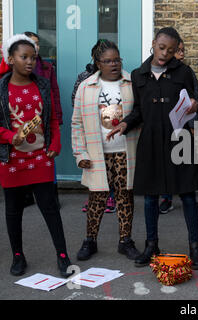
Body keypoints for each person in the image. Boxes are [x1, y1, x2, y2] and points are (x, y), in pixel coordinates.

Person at [107, 27, 198, 270]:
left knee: (188, 195)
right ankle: (152, 245)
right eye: (162, 48)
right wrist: (125, 124)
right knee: (150, 198)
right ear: (153, 44)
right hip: (150, 141)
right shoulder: (139, 75)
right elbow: (139, 110)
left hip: (179, 140)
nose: (165, 54)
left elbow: (194, 102)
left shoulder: (184, 72)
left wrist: (195, 105)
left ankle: (195, 247)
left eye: (171, 50)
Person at [0, 34, 72, 277]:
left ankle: (62, 255)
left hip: (41, 157)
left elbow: (51, 118)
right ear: (10, 59)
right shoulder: (1, 87)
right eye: (24, 57)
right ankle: (18, 256)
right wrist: (11, 137)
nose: (30, 62)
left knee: (50, 208)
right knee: (13, 210)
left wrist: (56, 142)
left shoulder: (41, 85)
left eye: (33, 57)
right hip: (12, 160)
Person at [71, 39, 141, 261]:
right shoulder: (86, 86)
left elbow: (139, 115)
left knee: (125, 197)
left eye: (117, 60)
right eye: (108, 61)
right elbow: (77, 123)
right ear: (98, 63)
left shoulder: (132, 83)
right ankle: (90, 240)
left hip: (125, 151)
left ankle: (125, 241)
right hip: (96, 154)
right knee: (97, 198)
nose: (114, 64)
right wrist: (80, 153)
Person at [71, 39, 117, 215]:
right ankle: (94, 197)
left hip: (110, 126)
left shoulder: (118, 78)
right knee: (95, 165)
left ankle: (111, 196)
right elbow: (76, 100)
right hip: (92, 128)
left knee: (112, 165)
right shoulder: (84, 78)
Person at [160, 38, 198, 217]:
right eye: (178, 50)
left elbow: (195, 99)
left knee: (186, 165)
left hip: (184, 125)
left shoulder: (187, 72)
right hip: (165, 127)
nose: (182, 54)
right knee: (166, 164)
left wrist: (194, 127)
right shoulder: (159, 72)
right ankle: (167, 198)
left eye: (183, 50)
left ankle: (191, 200)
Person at [23, 31, 63, 209]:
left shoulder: (47, 67)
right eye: (32, 43)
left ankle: (51, 197)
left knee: (48, 155)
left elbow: (54, 93)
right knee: (24, 153)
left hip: (45, 119)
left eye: (37, 43)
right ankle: (26, 195)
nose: (36, 46)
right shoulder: (16, 69)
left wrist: (58, 118)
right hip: (23, 119)